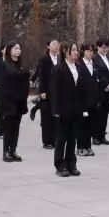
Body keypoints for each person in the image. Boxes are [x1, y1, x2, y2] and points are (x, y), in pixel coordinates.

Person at [51, 42, 83, 177]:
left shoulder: (79, 67)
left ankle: (71, 163)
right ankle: (60, 165)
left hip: (76, 109)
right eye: (73, 50)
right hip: (63, 109)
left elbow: (82, 89)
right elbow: (54, 91)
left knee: (72, 138)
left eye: (77, 50)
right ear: (65, 51)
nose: (76, 52)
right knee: (61, 138)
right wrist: (55, 110)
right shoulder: (59, 68)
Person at [0, 42, 29, 163]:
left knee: (16, 127)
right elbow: (1, 84)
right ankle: (6, 151)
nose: (18, 50)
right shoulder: (4, 64)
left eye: (19, 48)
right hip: (8, 100)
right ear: (9, 50)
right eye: (15, 48)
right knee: (9, 127)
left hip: (20, 101)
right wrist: (3, 101)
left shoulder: (21, 65)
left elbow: (25, 82)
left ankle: (13, 150)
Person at [31, 40, 60, 150]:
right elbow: (41, 74)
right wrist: (42, 91)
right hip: (47, 91)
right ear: (48, 47)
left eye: (57, 44)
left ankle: (55, 139)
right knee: (46, 117)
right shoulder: (44, 59)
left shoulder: (60, 59)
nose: (56, 46)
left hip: (58, 92)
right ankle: (47, 141)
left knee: (56, 116)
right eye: (53, 44)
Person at [92, 38, 109, 146]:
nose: (105, 49)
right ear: (98, 47)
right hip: (99, 90)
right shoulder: (94, 58)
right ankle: (95, 136)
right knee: (97, 114)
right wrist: (106, 84)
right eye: (103, 47)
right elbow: (97, 73)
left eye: (107, 47)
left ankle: (102, 136)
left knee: (105, 114)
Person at [76, 44, 101, 157]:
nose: (90, 53)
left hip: (93, 100)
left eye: (92, 51)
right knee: (82, 125)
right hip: (82, 100)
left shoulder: (94, 65)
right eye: (88, 51)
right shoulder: (79, 65)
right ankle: (80, 147)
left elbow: (97, 83)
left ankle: (88, 146)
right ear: (83, 51)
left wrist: (98, 99)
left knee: (90, 124)